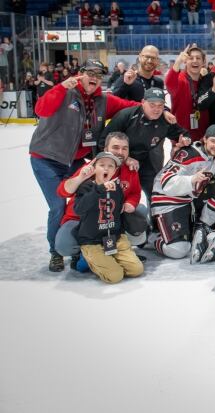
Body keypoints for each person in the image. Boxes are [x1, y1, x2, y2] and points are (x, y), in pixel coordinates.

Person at [30, 60, 138, 272]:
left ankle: (87, 241)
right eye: (90, 73)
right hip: (47, 159)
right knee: (58, 205)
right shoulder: (65, 92)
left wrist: (159, 108)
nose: (95, 78)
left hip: (76, 160)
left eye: (99, 75)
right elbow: (41, 109)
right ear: (80, 74)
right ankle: (56, 252)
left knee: (94, 195)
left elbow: (131, 106)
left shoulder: (102, 100)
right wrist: (61, 87)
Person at [56, 132, 146, 269]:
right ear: (105, 149)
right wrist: (80, 178)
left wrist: (130, 204)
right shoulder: (91, 168)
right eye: (115, 147)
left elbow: (134, 192)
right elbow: (62, 192)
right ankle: (86, 253)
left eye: (124, 148)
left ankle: (116, 252)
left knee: (140, 210)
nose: (120, 152)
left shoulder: (129, 169)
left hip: (110, 220)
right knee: (64, 245)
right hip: (81, 219)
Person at [150, 124, 215, 261]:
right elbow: (167, 183)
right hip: (167, 200)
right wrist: (192, 179)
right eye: (213, 141)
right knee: (178, 250)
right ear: (205, 139)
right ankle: (152, 237)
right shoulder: (188, 153)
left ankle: (202, 225)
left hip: (188, 201)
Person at [99, 87, 189, 200]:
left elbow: (182, 134)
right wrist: (125, 159)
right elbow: (103, 143)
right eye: (152, 105)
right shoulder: (126, 116)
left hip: (147, 161)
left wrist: (184, 141)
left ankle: (155, 216)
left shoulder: (165, 119)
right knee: (120, 198)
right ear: (143, 103)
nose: (156, 109)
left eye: (160, 105)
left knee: (156, 194)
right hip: (121, 162)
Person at [73, 152, 144, 284]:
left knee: (136, 270)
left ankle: (110, 257)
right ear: (94, 168)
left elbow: (117, 215)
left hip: (114, 238)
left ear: (115, 170)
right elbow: (79, 209)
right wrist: (99, 189)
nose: (106, 168)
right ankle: (87, 258)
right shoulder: (86, 187)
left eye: (110, 166)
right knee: (115, 276)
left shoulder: (116, 188)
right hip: (92, 241)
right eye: (102, 165)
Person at [165, 44, 209, 139]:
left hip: (203, 138)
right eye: (191, 58)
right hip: (182, 138)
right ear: (185, 61)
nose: (194, 61)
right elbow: (169, 84)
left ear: (203, 62)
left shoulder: (206, 81)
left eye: (198, 58)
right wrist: (177, 62)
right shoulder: (180, 79)